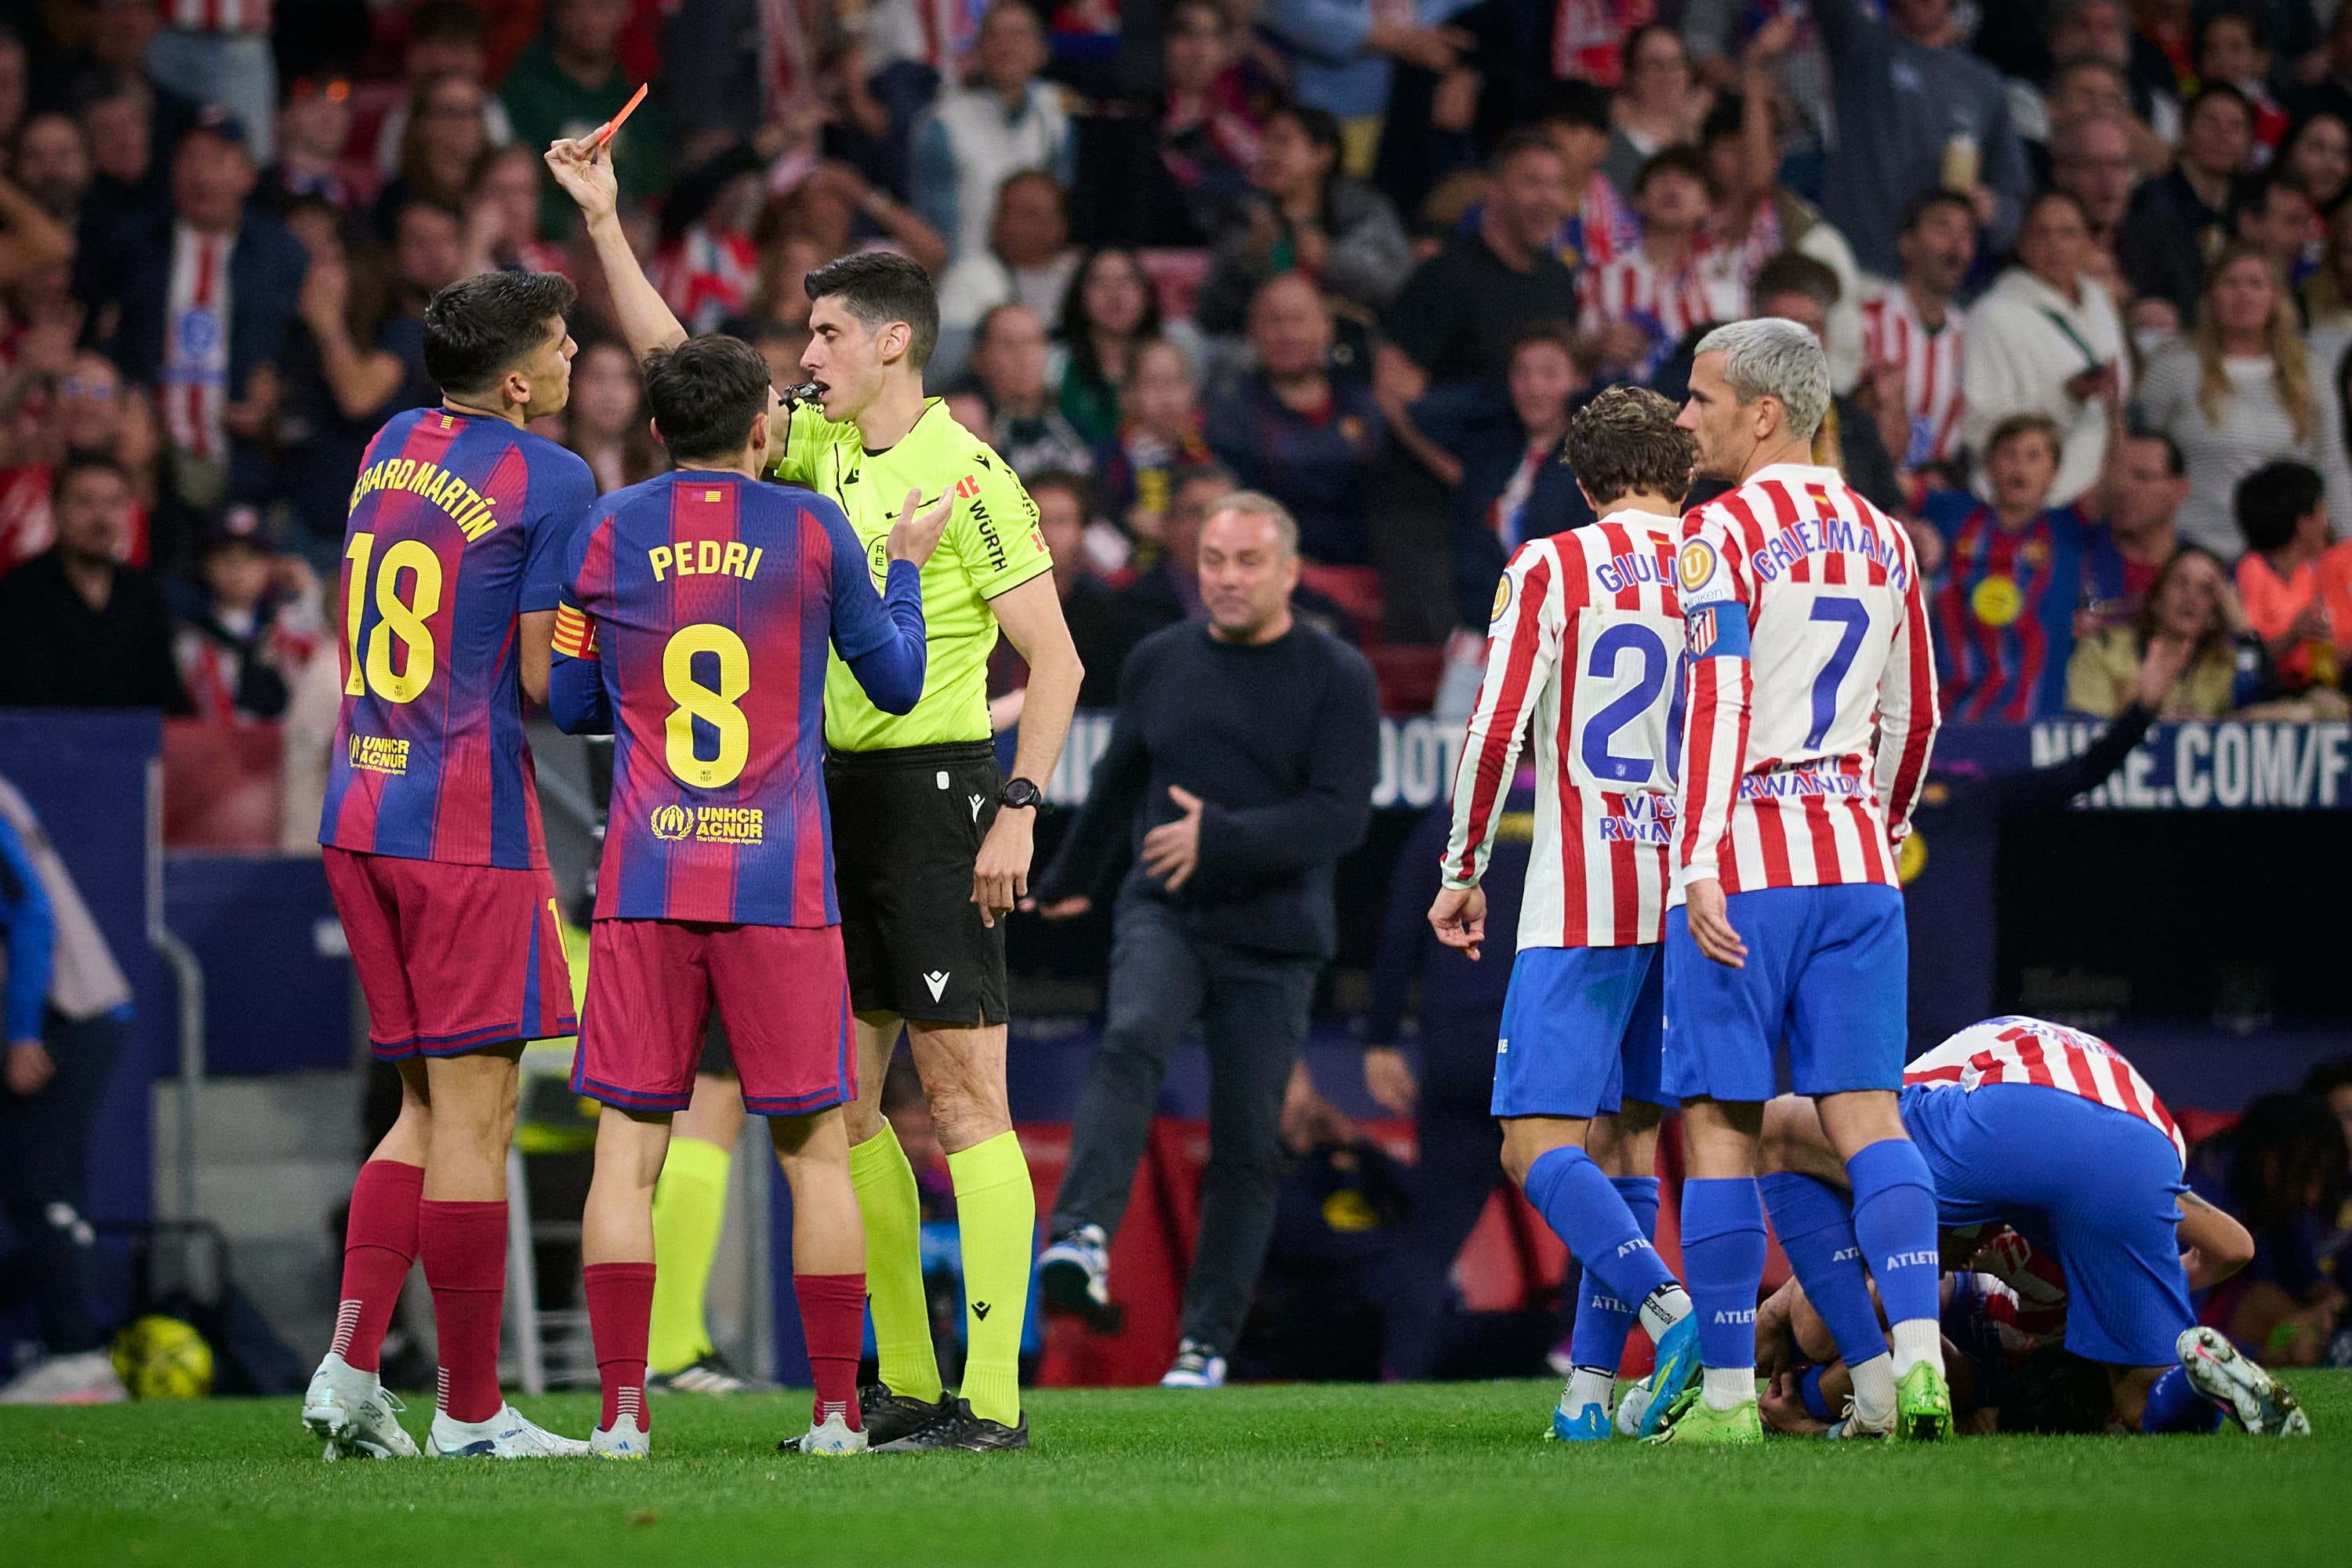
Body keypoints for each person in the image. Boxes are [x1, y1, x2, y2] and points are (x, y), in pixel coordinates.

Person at [551, 136, 1085, 1453]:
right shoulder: (821, 457)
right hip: (826, 800)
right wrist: (609, 223)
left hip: (938, 794)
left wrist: (1020, 807)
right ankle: (904, 1382)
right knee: (846, 1109)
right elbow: (696, 378)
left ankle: (999, 1402)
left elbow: (1059, 659)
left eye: (830, 332)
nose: (809, 353)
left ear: (894, 344)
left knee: (963, 1103)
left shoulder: (971, 480)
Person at [546, 332, 945, 1460]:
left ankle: (622, 1418)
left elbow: (571, 701)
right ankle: (833, 1416)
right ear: (763, 431)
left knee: (629, 1147)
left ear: (658, 432)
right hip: (781, 883)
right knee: (815, 1148)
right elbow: (901, 682)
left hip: (648, 878)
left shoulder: (608, 530)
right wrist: (905, 565)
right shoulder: (814, 528)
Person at [299, 269, 594, 1462]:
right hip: (463, 826)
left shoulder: (387, 442)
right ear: (517, 380)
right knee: (480, 1113)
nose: (577, 355)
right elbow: (542, 683)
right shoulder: (554, 476)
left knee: (424, 1107)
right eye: (563, 342)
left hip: (359, 802)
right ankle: (473, 1409)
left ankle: (350, 1368)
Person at [1656, 317, 1948, 1444]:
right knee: (1870, 1120)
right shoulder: (1886, 537)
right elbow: (1914, 715)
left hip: (1745, 864)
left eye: (1701, 399)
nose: (1685, 420)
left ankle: (1730, 1399)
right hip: (1859, 865)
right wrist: (1881, 827)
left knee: (1723, 1124)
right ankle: (1915, 1369)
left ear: (1763, 415)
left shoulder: (1716, 533)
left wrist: (1699, 860)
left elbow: (1721, 700)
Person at [1028, 491, 1379, 1390]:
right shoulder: (1160, 659)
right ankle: (1081, 1235)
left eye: (1247, 561)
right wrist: (1067, 880)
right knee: (1131, 1034)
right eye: (1214, 559)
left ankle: (1204, 1346)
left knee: (1248, 1142)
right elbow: (1116, 785)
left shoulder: (1338, 674)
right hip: (1167, 908)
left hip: (1276, 936)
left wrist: (1217, 835)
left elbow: (1339, 818)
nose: (1226, 577)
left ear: (1291, 571)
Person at [1428, 387, 1703, 1440]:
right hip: (1692, 895)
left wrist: (1462, 867)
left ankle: (1675, 1315)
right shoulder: (1718, 568)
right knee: (1626, 1139)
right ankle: (1589, 1398)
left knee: (1533, 1142)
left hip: (1587, 891)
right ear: (1682, 476)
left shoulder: (1552, 564)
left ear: (1583, 484)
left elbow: (1496, 731)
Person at [1755, 1017, 2309, 1437]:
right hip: (2145, 1146)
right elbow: (2234, 1248)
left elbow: (1813, 1317)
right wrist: (2139, 1283)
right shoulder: (2047, 1247)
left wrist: (1774, 1317)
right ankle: (2194, 1381)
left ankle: (1862, 1388)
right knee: (2141, 1400)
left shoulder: (1908, 1091)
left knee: (1778, 1128)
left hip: (2011, 1116)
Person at [73, 109, 308, 537]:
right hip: (150, 465)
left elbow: (304, 347)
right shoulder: (133, 245)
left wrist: (279, 392)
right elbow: (98, 334)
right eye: (189, 159)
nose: (201, 174)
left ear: (247, 175)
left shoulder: (283, 254)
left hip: (250, 464)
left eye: (217, 160)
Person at [0, 776, 137, 1406]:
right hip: (76, 1012)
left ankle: (78, 1357)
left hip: (65, 1015)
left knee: (38, 1182)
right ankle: (81, 1355)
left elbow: (30, 914)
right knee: (48, 1187)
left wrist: (23, 1033)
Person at [2136, 245, 2352, 556]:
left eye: (2255, 284)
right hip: (2193, 551)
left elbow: (2331, 464)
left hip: (2285, 559)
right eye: (2231, 283)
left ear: (2276, 296)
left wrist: (2347, 548)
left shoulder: (2309, 370)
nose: (2244, 295)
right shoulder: (2173, 366)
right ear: (2211, 294)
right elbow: (2140, 456)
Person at [1813, 0, 2032, 278]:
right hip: (1858, 268)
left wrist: (1993, 208)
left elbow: (2012, 196)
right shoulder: (1862, 45)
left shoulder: (1984, 84)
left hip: (1936, 289)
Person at [1411, 320, 1593, 628]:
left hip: (1557, 627)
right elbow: (1424, 412)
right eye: (1521, 373)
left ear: (1579, 381)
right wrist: (1497, 395)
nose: (1534, 387)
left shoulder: (1589, 461)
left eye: (1549, 374)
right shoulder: (1490, 450)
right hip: (1481, 624)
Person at [1962, 190, 2128, 511]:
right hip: (2039, 507)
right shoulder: (1993, 313)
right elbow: (1977, 422)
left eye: (2068, 233)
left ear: (2089, 244)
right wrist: (2065, 398)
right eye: (2042, 233)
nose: (2056, 244)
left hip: (2102, 498)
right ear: (2021, 245)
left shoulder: (2099, 301)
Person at [1202, 274, 1384, 566]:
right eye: (1274, 321)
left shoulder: (1363, 403)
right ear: (1252, 332)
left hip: (1373, 572)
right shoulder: (1231, 411)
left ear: (1327, 329)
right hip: (1276, 574)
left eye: (1298, 320)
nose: (1287, 334)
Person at [1925, 413, 2094, 722]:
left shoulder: (2067, 528)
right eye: (2009, 454)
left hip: (2035, 725)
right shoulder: (1954, 514)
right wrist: (1910, 523)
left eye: (2033, 456)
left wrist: (2114, 416)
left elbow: (2117, 490)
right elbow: (1886, 486)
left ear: (2053, 472)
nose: (2019, 466)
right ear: (1988, 466)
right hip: (1952, 720)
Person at [1194, 101, 1414, 339]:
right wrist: (1250, 263)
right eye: (1266, 141)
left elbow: (1399, 284)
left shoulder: (1363, 210)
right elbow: (1211, 313)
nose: (1268, 152)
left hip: (1353, 343)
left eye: (1282, 141)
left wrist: (1330, 260)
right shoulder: (1247, 216)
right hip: (1261, 350)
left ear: (1322, 155)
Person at [0, 456, 188, 712]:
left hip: (132, 746)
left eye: (114, 503)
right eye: (84, 503)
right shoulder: (20, 591)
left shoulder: (143, 592)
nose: (101, 518)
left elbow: (165, 691)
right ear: (56, 509)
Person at [2186, 1094, 2350, 1369]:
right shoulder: (2200, 1200)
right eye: (2307, 1178)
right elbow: (2179, 1327)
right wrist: (2264, 1357)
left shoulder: (2270, 1195)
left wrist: (2325, 1296)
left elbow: (2303, 1272)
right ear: (2270, 1161)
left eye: (2321, 1182)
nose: (2313, 1196)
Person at [909, 2, 1075, 266]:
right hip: (967, 276)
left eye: (1019, 35)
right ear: (977, 50)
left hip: (1037, 271)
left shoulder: (1056, 116)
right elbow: (935, 233)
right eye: (994, 35)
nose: (1006, 46)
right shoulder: (942, 125)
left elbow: (1059, 215)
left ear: (1042, 51)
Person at [1577, 147, 1744, 383]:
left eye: (1686, 180)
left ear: (1707, 207)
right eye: (1661, 178)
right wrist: (1596, 348)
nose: (1672, 188)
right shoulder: (1600, 276)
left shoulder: (1723, 284)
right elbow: (1572, 356)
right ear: (1639, 201)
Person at [502, 0, 666, 240]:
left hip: (625, 247)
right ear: (556, 12)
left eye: (601, 6)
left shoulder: (638, 102)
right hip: (544, 246)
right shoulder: (523, 95)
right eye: (575, 6)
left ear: (626, 11)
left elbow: (652, 188)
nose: (588, 19)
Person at [2066, 544, 2271, 717]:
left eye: (2206, 589)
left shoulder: (2223, 666)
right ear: (2156, 599)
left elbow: (2255, 700)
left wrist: (2244, 632)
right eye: (2180, 583)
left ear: (2214, 616)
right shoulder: (2103, 649)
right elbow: (2084, 726)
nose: (2190, 597)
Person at [169, 505, 325, 724]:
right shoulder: (190, 638)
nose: (237, 568)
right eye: (226, 557)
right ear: (206, 565)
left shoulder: (288, 623)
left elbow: (330, 649)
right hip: (215, 748)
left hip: (284, 747)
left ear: (270, 565)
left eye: (251, 557)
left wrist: (308, 588)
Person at [1858, 191, 1976, 475]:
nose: (1956, 243)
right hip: (1870, 487)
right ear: (1907, 244)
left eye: (1967, 232)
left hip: (1939, 494)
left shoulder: (1973, 335)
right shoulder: (1867, 321)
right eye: (1942, 227)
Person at [2119, 85, 2256, 324]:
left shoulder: (2249, 207)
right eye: (2210, 123)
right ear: (2186, 132)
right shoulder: (2150, 203)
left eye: (2236, 126)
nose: (2223, 136)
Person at [934, 171, 1081, 383]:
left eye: (1029, 214)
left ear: (1061, 224)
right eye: (1005, 211)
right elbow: (947, 364)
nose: (1013, 223)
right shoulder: (971, 276)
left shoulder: (1083, 276)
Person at [2232, 459, 2352, 690]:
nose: (2328, 523)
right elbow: (2247, 652)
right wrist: (2294, 634)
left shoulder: (2321, 569)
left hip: (2329, 687)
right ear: (2303, 524)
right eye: (2322, 511)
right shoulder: (2250, 571)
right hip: (2271, 695)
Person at [1050, 247, 1163, 447]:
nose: (1115, 295)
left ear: (1146, 293)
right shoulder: (1055, 364)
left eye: (1127, 281)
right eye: (1100, 282)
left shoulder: (1168, 359)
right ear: (1080, 295)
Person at [968, 302, 1094, 479]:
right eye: (1009, 344)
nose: (1024, 356)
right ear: (980, 357)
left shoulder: (1075, 423)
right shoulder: (970, 425)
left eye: (1032, 342)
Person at [2080, 430, 2190, 630]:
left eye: (2142, 476)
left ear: (2179, 490)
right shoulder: (2075, 555)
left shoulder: (2199, 571)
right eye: (2118, 476)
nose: (2124, 487)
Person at [1601, 26, 1710, 198]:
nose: (1668, 75)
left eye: (1677, 64)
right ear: (1632, 75)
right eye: (1655, 64)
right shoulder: (1608, 143)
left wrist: (1690, 134)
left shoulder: (1708, 135)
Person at [560, 339, 665, 495]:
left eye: (624, 378)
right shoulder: (554, 466)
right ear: (572, 384)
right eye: (597, 377)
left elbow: (712, 497)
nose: (610, 393)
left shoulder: (659, 466)